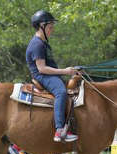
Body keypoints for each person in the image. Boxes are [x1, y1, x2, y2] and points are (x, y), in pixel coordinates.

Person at [25, 10, 79, 142]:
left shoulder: (43, 43)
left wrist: (73, 71)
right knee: (61, 92)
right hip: (42, 76)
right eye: (50, 27)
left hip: (49, 75)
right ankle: (59, 130)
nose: (52, 30)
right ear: (41, 26)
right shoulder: (37, 44)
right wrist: (65, 71)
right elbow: (42, 68)